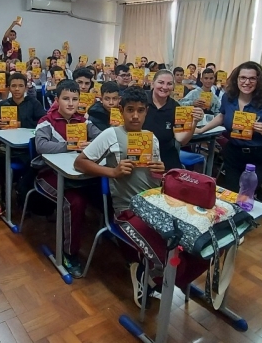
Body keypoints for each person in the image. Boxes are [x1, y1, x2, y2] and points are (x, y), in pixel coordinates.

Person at [74, 87, 210, 307]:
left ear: (146, 112)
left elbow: (155, 177)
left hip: (154, 204)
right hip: (127, 209)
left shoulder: (150, 138)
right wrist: (113, 172)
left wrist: (160, 169)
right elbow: (79, 162)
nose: (135, 116)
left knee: (193, 244)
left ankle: (154, 278)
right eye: (129, 110)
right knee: (166, 256)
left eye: (139, 111)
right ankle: (151, 276)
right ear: (121, 111)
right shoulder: (111, 134)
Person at [34, 80, 102, 277]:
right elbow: (42, 146)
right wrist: (70, 145)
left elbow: (100, 139)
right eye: (66, 99)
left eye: (75, 99)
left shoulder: (84, 121)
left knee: (103, 191)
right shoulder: (46, 121)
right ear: (57, 100)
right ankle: (69, 253)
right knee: (75, 202)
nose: (71, 103)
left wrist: (91, 143)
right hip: (48, 174)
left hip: (79, 175)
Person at [196, 61, 262, 205]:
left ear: (258, 80)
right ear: (236, 79)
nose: (246, 82)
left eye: (252, 78)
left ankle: (245, 214)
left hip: (259, 156)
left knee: (245, 197)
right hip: (234, 153)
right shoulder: (228, 98)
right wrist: (202, 130)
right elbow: (222, 116)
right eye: (243, 78)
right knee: (231, 195)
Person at [0, 73, 45, 224]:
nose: (17, 89)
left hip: (27, 150)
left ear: (26, 87)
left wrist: (22, 123)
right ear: (9, 87)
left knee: (25, 170)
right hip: (6, 148)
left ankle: (22, 197)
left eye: (21, 86)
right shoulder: (4, 104)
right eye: (13, 86)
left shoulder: (34, 103)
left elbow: (42, 121)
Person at [143, 70, 204, 171]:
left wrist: (194, 122)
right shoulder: (141, 100)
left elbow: (182, 140)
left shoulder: (176, 107)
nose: (165, 87)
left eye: (169, 84)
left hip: (166, 155)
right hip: (141, 152)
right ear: (153, 83)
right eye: (161, 82)